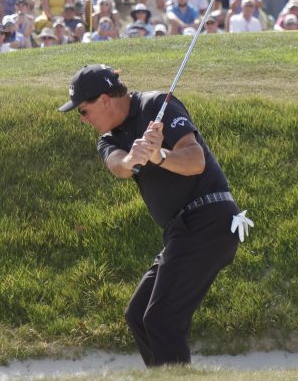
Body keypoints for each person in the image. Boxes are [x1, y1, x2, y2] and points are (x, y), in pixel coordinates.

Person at [58, 64, 249, 367]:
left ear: (104, 100)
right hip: (181, 230)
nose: (84, 120)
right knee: (139, 315)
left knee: (161, 318)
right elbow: (118, 166)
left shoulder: (158, 105)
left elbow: (195, 160)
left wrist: (159, 155)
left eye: (84, 111)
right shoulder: (108, 138)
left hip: (209, 219)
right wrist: (134, 157)